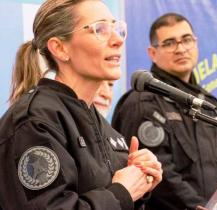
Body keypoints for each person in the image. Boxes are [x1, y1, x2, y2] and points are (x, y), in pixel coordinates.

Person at [0, 0, 162, 209]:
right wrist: (122, 192)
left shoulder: (102, 126)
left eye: (117, 28)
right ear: (59, 48)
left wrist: (140, 184)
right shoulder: (36, 121)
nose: (117, 40)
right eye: (100, 29)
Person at [111, 13, 217, 210]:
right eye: (169, 43)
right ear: (152, 53)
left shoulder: (209, 104)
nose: (180, 49)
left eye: (186, 40)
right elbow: (160, 176)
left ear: (195, 43)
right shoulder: (143, 102)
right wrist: (199, 207)